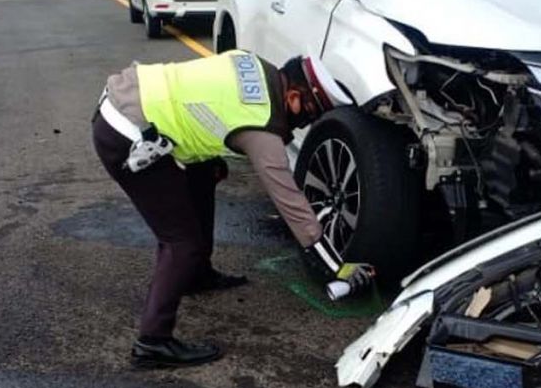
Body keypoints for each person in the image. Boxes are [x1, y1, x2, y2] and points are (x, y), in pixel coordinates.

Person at [92, 50, 370, 369]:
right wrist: (336, 267)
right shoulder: (261, 125)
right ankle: (152, 342)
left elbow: (206, 104)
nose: (305, 121)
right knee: (181, 243)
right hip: (127, 135)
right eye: (308, 113)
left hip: (129, 101)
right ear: (292, 95)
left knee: (204, 175)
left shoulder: (255, 64)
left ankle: (196, 276)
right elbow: (291, 202)